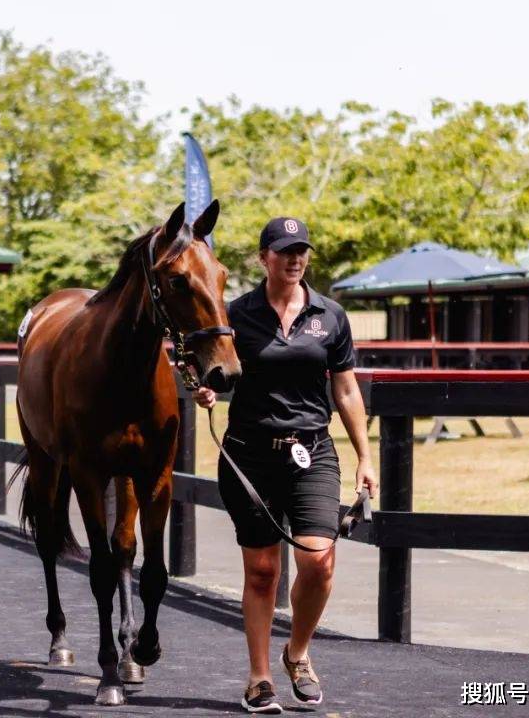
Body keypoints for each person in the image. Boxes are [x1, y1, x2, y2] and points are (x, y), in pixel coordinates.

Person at [193, 217, 378, 714]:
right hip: (250, 453)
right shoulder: (236, 313)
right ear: (264, 258)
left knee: (318, 562)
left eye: (301, 251)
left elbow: (345, 389)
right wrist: (206, 390)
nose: (295, 259)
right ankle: (258, 678)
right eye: (284, 251)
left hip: (311, 452)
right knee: (261, 571)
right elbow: (214, 371)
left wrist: (365, 456)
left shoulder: (330, 315)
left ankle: (297, 653)